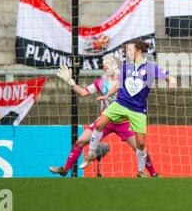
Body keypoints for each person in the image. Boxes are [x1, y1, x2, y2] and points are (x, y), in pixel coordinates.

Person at [49, 55, 158, 177]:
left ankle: (153, 173)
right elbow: (83, 93)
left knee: (140, 147)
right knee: (80, 141)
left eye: (107, 63)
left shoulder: (126, 81)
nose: (104, 66)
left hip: (124, 123)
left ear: (115, 66)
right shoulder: (101, 83)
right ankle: (65, 169)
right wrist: (71, 82)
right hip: (105, 121)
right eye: (103, 64)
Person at [80, 39, 177, 177]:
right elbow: (117, 85)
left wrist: (171, 80)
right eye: (126, 50)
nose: (127, 52)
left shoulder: (150, 67)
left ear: (139, 51)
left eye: (130, 50)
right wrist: (106, 95)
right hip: (120, 104)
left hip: (138, 109)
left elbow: (168, 76)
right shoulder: (125, 67)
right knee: (100, 123)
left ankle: (140, 171)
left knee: (141, 143)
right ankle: (90, 154)